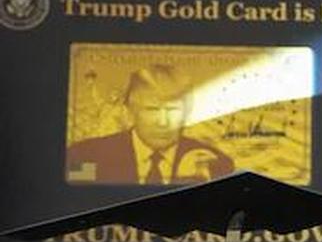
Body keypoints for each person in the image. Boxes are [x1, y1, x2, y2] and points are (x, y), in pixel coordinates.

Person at [65, 64, 234, 185]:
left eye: (173, 110)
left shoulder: (217, 163)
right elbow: (75, 207)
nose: (163, 122)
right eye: (152, 109)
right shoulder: (84, 156)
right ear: (130, 111)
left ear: (188, 113)